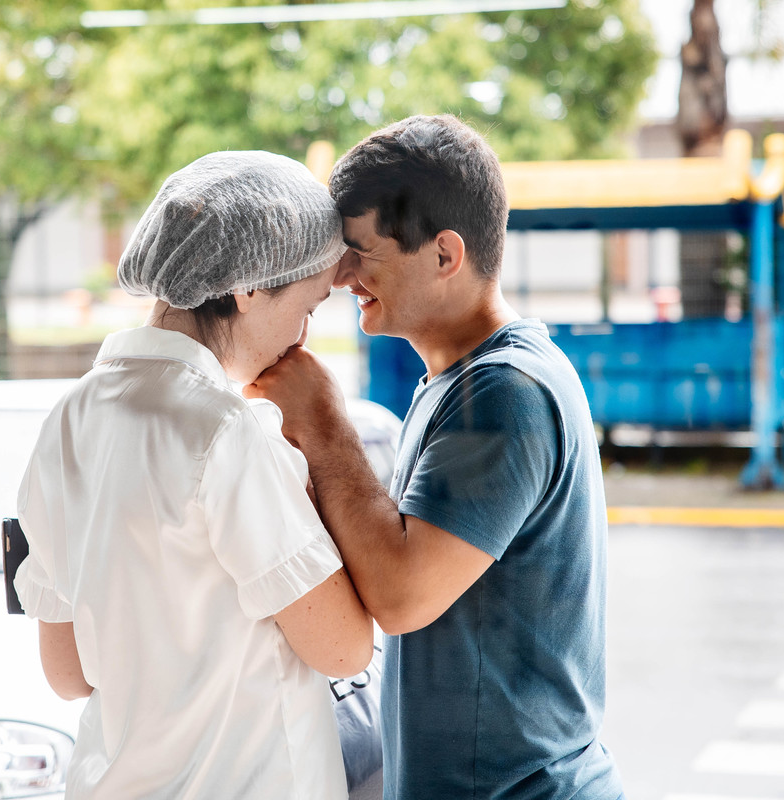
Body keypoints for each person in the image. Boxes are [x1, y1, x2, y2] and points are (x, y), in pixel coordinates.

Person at [246, 115, 625, 799]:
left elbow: (401, 596)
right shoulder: (455, 382)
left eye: (363, 252)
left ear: (445, 256)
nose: (339, 276)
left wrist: (323, 422)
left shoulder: (506, 392)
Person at [14, 150, 374, 799]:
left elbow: (66, 672)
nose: (301, 336)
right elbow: (344, 649)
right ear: (249, 287)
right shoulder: (228, 431)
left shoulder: (68, 421)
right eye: (309, 306)